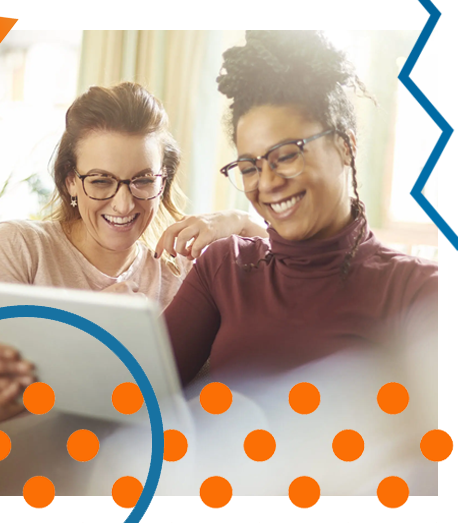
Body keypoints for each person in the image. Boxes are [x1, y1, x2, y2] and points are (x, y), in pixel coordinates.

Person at [0, 82, 266, 429]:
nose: (123, 204)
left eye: (143, 180)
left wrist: (240, 221)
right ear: (70, 181)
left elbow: (292, 268)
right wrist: (89, 328)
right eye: (102, 181)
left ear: (162, 181)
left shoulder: (182, 269)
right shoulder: (21, 247)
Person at [164, 30, 437, 388]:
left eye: (287, 155)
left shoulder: (419, 291)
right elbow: (135, 391)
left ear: (345, 146)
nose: (267, 182)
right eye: (249, 167)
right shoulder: (223, 268)